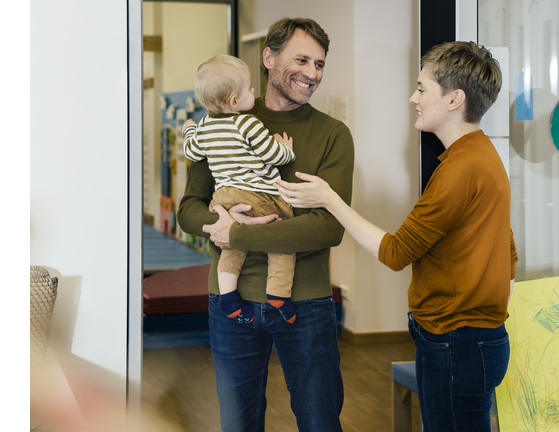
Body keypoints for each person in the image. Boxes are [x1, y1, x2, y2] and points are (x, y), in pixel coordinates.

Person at [275, 41, 518, 432]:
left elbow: (395, 252)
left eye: (422, 89)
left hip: (458, 342)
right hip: (473, 339)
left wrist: (330, 200)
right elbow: (506, 249)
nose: (412, 98)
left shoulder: (460, 169)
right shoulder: (481, 156)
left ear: (455, 99)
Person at [177, 17, 353, 432]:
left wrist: (236, 232)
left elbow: (328, 228)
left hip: (306, 305)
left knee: (319, 423)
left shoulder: (333, 134)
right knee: (237, 425)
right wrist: (219, 218)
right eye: (302, 59)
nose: (313, 73)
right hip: (229, 305)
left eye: (321, 64)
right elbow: (189, 209)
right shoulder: (220, 121)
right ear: (268, 58)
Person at [181, 54, 298, 325]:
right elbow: (273, 155)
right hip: (259, 196)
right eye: (249, 89)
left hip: (224, 198)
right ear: (235, 101)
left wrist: (188, 129)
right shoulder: (248, 123)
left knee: (231, 248)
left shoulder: (206, 126)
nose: (254, 92)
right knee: (282, 242)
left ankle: (229, 296)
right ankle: (279, 293)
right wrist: (287, 149)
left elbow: (191, 149)